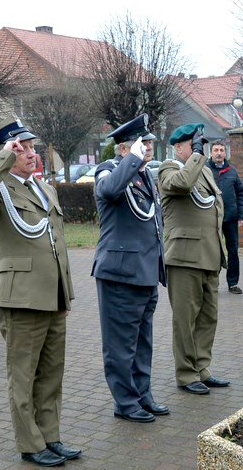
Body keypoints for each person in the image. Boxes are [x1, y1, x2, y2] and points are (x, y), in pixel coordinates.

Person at [0, 119, 80, 467]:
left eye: (32, 147)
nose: (32, 153)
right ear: (6, 152)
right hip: (21, 298)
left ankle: (50, 436)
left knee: (51, 374)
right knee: (24, 376)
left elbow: (56, 244)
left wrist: (66, 295)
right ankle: (30, 444)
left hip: (52, 297)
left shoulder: (43, 189)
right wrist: (2, 156)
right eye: (23, 148)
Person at [93, 114, 168, 423]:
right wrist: (131, 159)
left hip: (146, 270)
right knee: (120, 345)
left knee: (142, 341)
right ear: (124, 149)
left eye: (148, 144)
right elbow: (109, 191)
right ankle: (125, 402)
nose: (148, 148)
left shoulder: (143, 174)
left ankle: (142, 393)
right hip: (120, 273)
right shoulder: (108, 171)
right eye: (143, 144)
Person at [159, 123, 231, 396]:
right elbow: (182, 184)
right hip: (185, 257)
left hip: (209, 255)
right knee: (185, 320)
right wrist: (197, 158)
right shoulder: (168, 169)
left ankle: (202, 368)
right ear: (178, 147)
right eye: (193, 144)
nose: (197, 148)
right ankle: (186, 373)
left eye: (198, 144)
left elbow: (215, 207)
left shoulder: (202, 171)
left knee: (208, 317)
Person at [207, 140, 243, 295]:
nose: (218, 153)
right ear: (211, 152)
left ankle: (233, 283)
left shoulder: (232, 171)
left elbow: (241, 193)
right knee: (212, 251)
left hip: (230, 218)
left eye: (221, 150)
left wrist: (242, 215)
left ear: (225, 153)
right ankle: (212, 283)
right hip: (210, 218)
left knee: (233, 251)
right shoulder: (204, 170)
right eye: (216, 150)